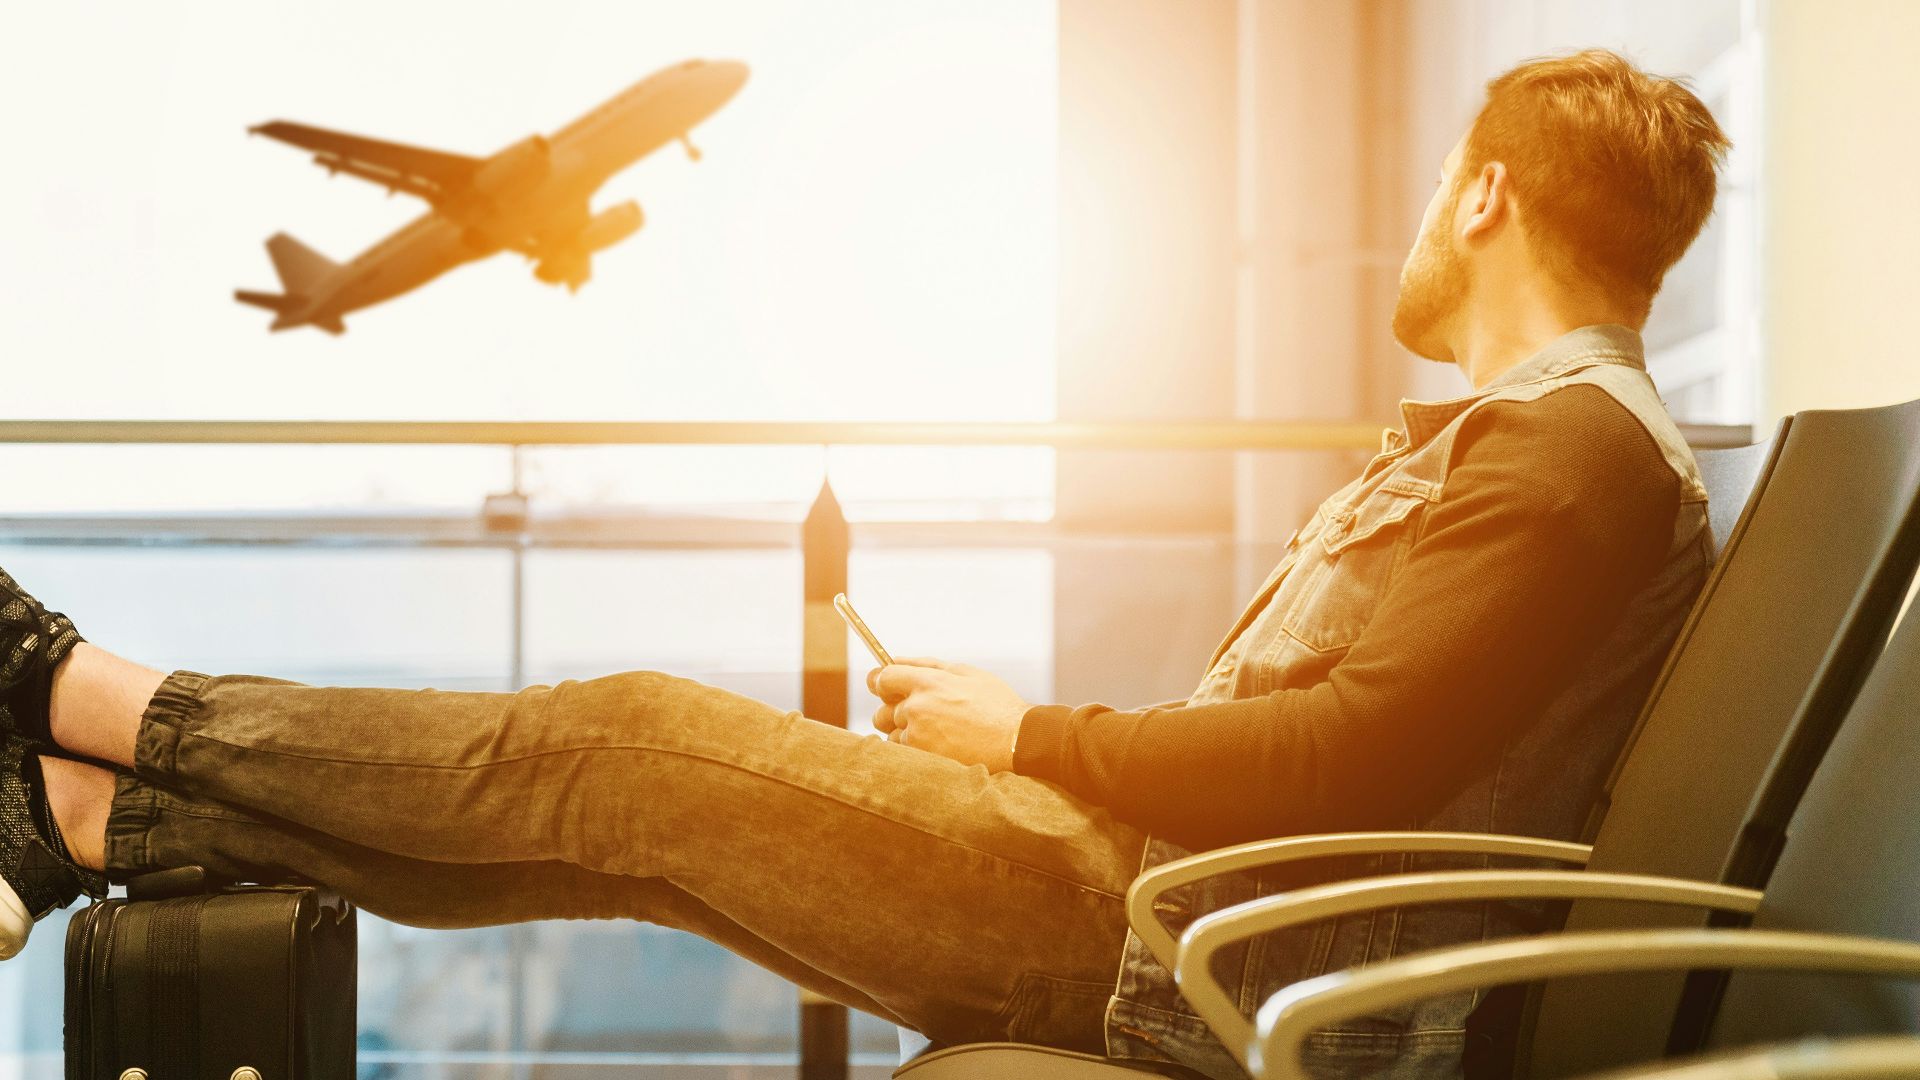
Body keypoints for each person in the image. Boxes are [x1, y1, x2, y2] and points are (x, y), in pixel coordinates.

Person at [0, 48, 1728, 1080]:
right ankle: (76, 820)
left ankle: (76, 692)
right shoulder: (1550, 449)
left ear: (1487, 197)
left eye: (1438, 190)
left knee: (622, 745)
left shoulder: (1568, 455)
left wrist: (1026, 736)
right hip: (1167, 913)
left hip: (1173, 951)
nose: (1422, 223)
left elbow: (1344, 760)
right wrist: (1034, 749)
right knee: (625, 839)